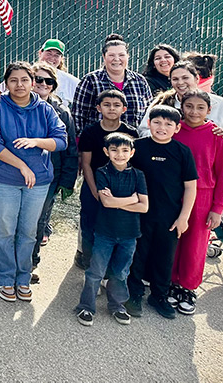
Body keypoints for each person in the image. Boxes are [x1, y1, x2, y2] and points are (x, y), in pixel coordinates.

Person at [0, 61, 67, 303]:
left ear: (32, 82)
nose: (19, 85)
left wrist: (37, 142)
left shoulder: (45, 109)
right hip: (4, 179)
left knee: (29, 231)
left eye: (25, 80)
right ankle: (5, 277)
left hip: (37, 182)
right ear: (6, 83)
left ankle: (23, 276)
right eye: (13, 80)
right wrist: (21, 164)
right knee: (6, 229)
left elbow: (61, 140)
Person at [125, 105, 197, 320]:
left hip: (170, 217)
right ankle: (134, 293)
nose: (161, 127)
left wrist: (183, 217)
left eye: (168, 124)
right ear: (149, 123)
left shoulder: (182, 152)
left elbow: (190, 186)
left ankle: (159, 295)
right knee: (138, 254)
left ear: (177, 128)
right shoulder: (137, 147)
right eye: (157, 122)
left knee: (165, 257)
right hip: (139, 213)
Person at [74, 133, 148, 327]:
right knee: (95, 271)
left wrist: (118, 202)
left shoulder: (138, 175)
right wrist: (132, 199)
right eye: (114, 150)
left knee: (121, 272)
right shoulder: (102, 173)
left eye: (125, 150)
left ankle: (117, 306)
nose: (119, 154)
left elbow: (144, 206)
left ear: (132, 153)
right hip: (105, 232)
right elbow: (105, 202)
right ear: (106, 152)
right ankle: (86, 306)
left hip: (129, 233)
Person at [168, 91, 223, 315]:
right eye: (189, 106)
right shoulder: (173, 130)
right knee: (172, 239)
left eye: (200, 107)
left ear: (209, 110)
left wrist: (218, 208)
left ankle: (188, 287)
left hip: (203, 197)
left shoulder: (217, 135)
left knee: (196, 244)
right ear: (182, 107)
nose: (194, 112)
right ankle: (171, 283)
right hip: (174, 195)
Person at [76, 90, 137, 270]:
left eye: (117, 105)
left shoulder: (130, 132)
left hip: (121, 190)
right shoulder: (90, 132)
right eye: (107, 105)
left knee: (117, 230)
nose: (111, 108)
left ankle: (111, 271)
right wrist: (94, 191)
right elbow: (86, 164)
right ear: (98, 108)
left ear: (124, 109)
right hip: (94, 187)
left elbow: (132, 164)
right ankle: (91, 267)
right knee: (90, 228)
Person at [30, 62, 78, 278]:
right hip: (18, 175)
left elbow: (70, 149)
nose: (42, 84)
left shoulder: (62, 112)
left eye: (47, 81)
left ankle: (31, 262)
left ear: (53, 85)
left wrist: (67, 181)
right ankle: (6, 260)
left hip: (50, 175)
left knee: (39, 220)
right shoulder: (15, 106)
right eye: (38, 79)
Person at [139, 60, 223, 150]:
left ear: (197, 79)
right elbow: (143, 131)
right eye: (175, 79)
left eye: (185, 78)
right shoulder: (161, 104)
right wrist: (164, 135)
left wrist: (219, 142)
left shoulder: (219, 104)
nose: (180, 83)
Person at [72, 34, 153, 134]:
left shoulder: (140, 81)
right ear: (104, 57)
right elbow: (78, 115)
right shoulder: (91, 80)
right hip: (98, 142)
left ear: (128, 56)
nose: (117, 59)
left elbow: (149, 113)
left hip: (133, 143)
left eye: (121, 55)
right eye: (111, 55)